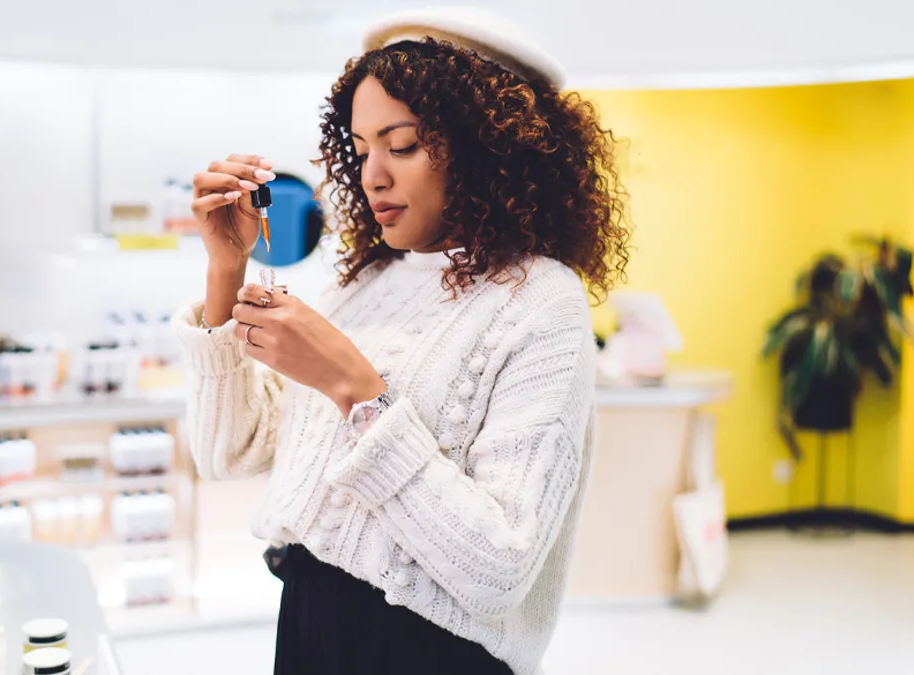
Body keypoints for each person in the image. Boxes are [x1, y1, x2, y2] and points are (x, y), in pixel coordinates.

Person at [172, 7, 631, 675]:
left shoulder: (540, 301)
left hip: (427, 653)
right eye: (360, 150)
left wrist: (355, 389)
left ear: (486, 145)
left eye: (403, 144)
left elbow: (500, 569)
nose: (372, 175)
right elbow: (225, 451)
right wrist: (225, 268)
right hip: (307, 625)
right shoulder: (363, 288)